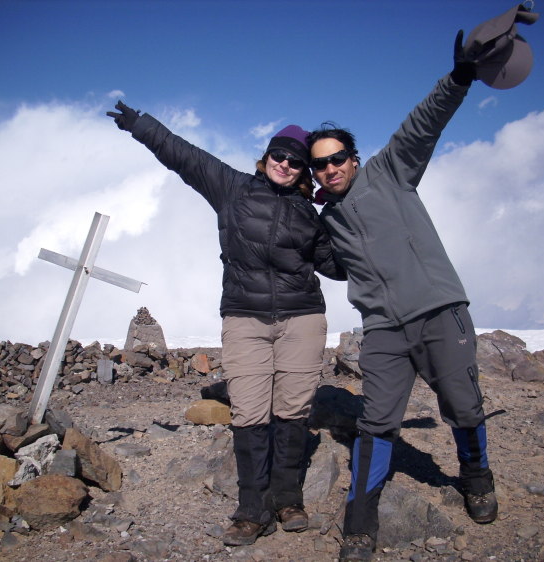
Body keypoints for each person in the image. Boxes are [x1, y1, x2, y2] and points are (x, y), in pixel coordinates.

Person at [106, 103, 345, 547]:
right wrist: (140, 125)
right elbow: (184, 155)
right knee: (251, 412)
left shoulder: (311, 215)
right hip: (244, 317)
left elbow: (336, 266)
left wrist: (343, 216)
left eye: (296, 161)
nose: (286, 164)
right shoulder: (232, 187)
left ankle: (288, 498)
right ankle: (252, 508)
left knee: (293, 411)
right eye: (279, 155)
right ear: (266, 156)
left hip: (303, 318)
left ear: (303, 171)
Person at [308, 32, 501, 561]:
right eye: (320, 165)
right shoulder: (328, 220)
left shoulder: (391, 171)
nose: (330, 168)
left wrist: (460, 75)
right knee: (376, 421)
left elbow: (425, 121)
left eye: (338, 158)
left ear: (353, 157)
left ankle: (476, 476)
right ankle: (361, 520)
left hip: (439, 311)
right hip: (385, 329)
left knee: (462, 405)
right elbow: (321, 261)